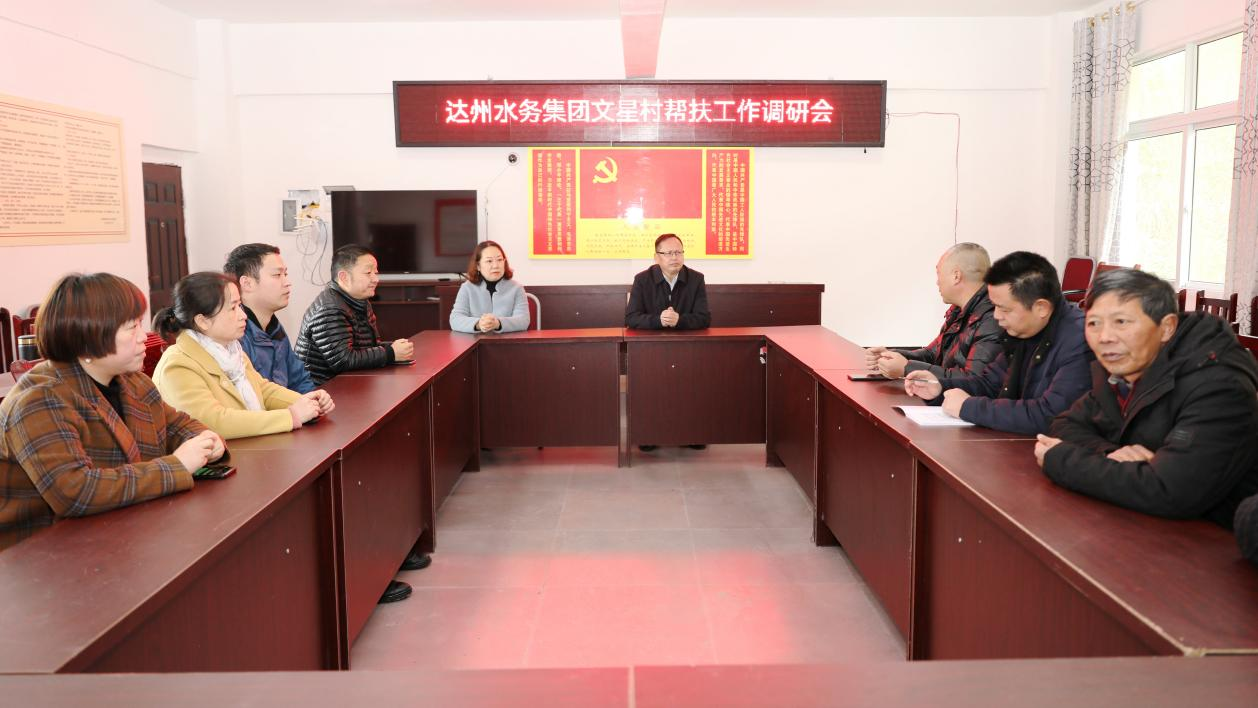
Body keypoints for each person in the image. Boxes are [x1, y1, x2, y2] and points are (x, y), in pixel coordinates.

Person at [0, 273, 225, 551]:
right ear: (88, 339)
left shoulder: (134, 382)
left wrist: (207, 441)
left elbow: (179, 427)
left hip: (122, 533)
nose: (144, 337)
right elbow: (76, 492)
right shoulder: (39, 400)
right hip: (40, 554)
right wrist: (177, 466)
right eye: (131, 327)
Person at [1034, 269, 1258, 527]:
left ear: (1166, 328)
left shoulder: (1219, 386)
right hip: (1146, 523)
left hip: (1216, 538)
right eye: (1093, 323)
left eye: (1121, 322)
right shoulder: (1124, 369)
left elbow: (1172, 491)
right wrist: (1111, 452)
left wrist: (1061, 460)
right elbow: (1065, 424)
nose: (1105, 337)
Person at [904, 251, 1092, 435]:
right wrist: (940, 387)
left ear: (1041, 308)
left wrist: (969, 407)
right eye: (994, 306)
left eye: (1004, 309)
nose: (996, 316)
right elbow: (990, 384)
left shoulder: (1080, 340)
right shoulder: (1024, 329)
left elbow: (1050, 415)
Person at [152, 272, 334, 440]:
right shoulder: (177, 365)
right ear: (203, 321)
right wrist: (290, 416)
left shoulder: (231, 349)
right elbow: (214, 422)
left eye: (240, 305)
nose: (243, 315)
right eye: (233, 308)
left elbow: (262, 390)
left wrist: (308, 402)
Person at [865, 242, 1002, 381]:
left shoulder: (992, 318)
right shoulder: (958, 312)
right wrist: (892, 356)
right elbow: (932, 355)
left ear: (956, 276)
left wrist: (907, 368)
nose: (937, 282)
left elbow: (975, 381)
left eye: (939, 274)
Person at [296, 245, 414, 385]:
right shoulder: (329, 309)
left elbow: (368, 347)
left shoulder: (360, 301)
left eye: (375, 273)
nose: (375, 279)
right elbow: (343, 361)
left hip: (347, 384)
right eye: (368, 273)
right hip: (320, 389)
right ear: (344, 277)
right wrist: (390, 353)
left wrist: (395, 347)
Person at [223, 243, 315, 393]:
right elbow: (253, 397)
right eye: (277, 275)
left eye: (285, 274)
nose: (287, 283)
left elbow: (299, 379)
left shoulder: (274, 327)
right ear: (247, 283)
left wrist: (314, 400)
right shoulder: (235, 336)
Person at [625, 233, 711, 330]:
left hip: (685, 338)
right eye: (669, 253)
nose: (674, 257)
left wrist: (679, 320)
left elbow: (704, 318)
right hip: (652, 338)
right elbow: (631, 318)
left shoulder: (696, 279)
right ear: (656, 257)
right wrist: (659, 320)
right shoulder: (642, 280)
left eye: (678, 252)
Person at [449, 240, 530, 333]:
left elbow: (523, 320)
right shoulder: (467, 288)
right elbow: (455, 319)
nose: (495, 265)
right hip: (475, 340)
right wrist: (479, 324)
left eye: (499, 260)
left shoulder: (516, 288)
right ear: (478, 266)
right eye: (489, 261)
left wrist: (498, 323)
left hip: (507, 340)